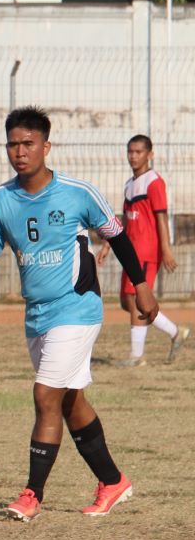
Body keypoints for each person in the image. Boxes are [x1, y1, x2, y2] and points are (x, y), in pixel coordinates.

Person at [0, 107, 158, 523]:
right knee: (70, 402)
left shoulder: (77, 193)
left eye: (28, 144)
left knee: (44, 395)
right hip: (37, 316)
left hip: (78, 309)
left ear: (45, 146)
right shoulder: (1, 201)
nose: (19, 152)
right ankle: (113, 481)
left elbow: (118, 237)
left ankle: (32, 494)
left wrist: (141, 285)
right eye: (13, 144)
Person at [95, 134, 189, 366]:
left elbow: (161, 217)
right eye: (130, 152)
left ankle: (137, 357)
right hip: (131, 250)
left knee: (137, 299)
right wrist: (108, 243)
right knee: (126, 301)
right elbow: (125, 220)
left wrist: (165, 249)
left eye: (138, 152)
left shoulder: (154, 182)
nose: (133, 156)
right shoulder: (129, 184)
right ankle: (175, 332)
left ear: (150, 154)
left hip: (147, 250)